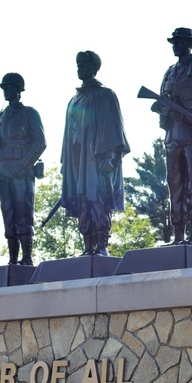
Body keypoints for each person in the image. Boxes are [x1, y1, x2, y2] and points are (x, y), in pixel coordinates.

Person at [152, 27, 192, 247]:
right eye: (174, 42)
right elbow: (163, 99)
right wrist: (159, 106)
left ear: (189, 44)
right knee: (175, 185)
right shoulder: (169, 72)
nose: (175, 45)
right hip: (173, 136)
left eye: (179, 42)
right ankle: (178, 234)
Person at [61, 51, 130, 257]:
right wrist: (67, 165)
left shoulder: (105, 94)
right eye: (78, 65)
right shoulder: (74, 100)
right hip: (78, 162)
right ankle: (88, 246)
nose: (80, 68)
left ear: (93, 68)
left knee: (98, 200)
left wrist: (108, 157)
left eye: (84, 65)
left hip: (99, 159)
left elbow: (113, 127)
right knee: (83, 201)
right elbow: (68, 135)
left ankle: (101, 245)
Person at [0, 72, 47, 266]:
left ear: (19, 91)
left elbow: (40, 143)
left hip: (22, 173)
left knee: (24, 215)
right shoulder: (0, 117)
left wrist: (22, 165)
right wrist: (2, 163)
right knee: (8, 215)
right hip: (4, 173)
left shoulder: (29, 113)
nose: (7, 91)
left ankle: (27, 257)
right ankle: (12, 259)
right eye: (4, 88)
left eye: (10, 88)